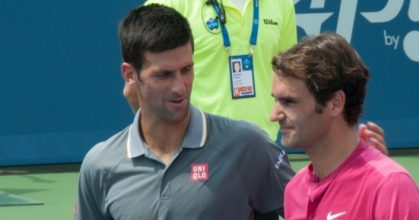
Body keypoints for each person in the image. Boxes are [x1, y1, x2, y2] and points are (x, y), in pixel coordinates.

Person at [76, 5, 294, 219]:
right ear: (130, 75)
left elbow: (309, 209)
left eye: (187, 70)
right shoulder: (99, 166)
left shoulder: (249, 147)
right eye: (164, 75)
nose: (180, 87)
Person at [122, 0, 388, 154]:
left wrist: (350, 154)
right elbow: (140, 90)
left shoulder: (280, 3)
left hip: (264, 147)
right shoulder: (171, 4)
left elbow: (292, 82)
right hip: (194, 148)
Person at [269, 32, 419, 219]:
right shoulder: (294, 190)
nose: (273, 115)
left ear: (335, 103)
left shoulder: (390, 187)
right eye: (276, 101)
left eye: (289, 102)